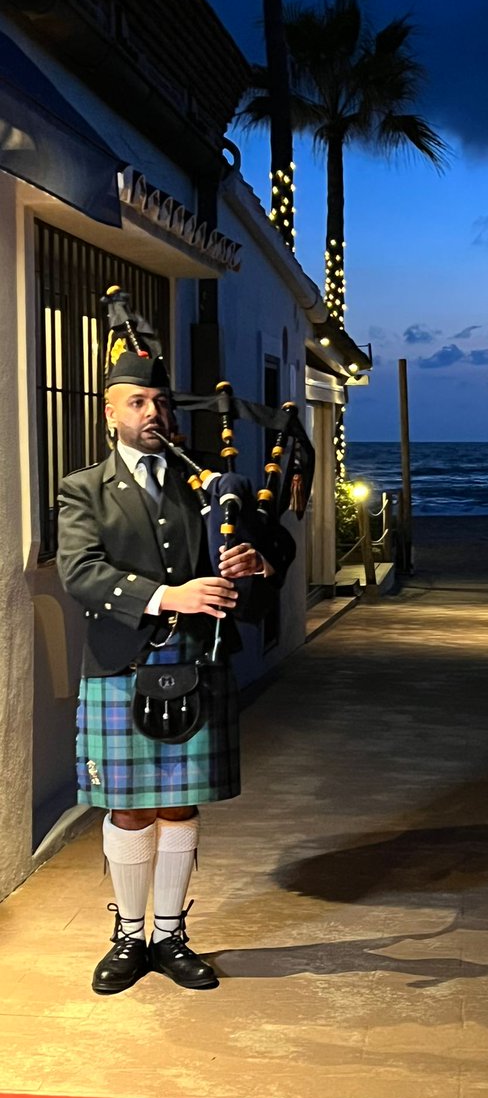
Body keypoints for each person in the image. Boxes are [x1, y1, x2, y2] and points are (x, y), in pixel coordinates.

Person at [57, 343, 292, 995]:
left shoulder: (210, 485)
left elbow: (271, 546)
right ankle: (129, 937)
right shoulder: (83, 489)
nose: (152, 411)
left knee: (178, 805)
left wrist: (258, 565)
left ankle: (169, 937)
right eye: (137, 401)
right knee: (129, 808)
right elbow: (80, 571)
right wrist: (170, 595)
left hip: (196, 658)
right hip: (120, 662)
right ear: (110, 413)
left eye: (160, 401)